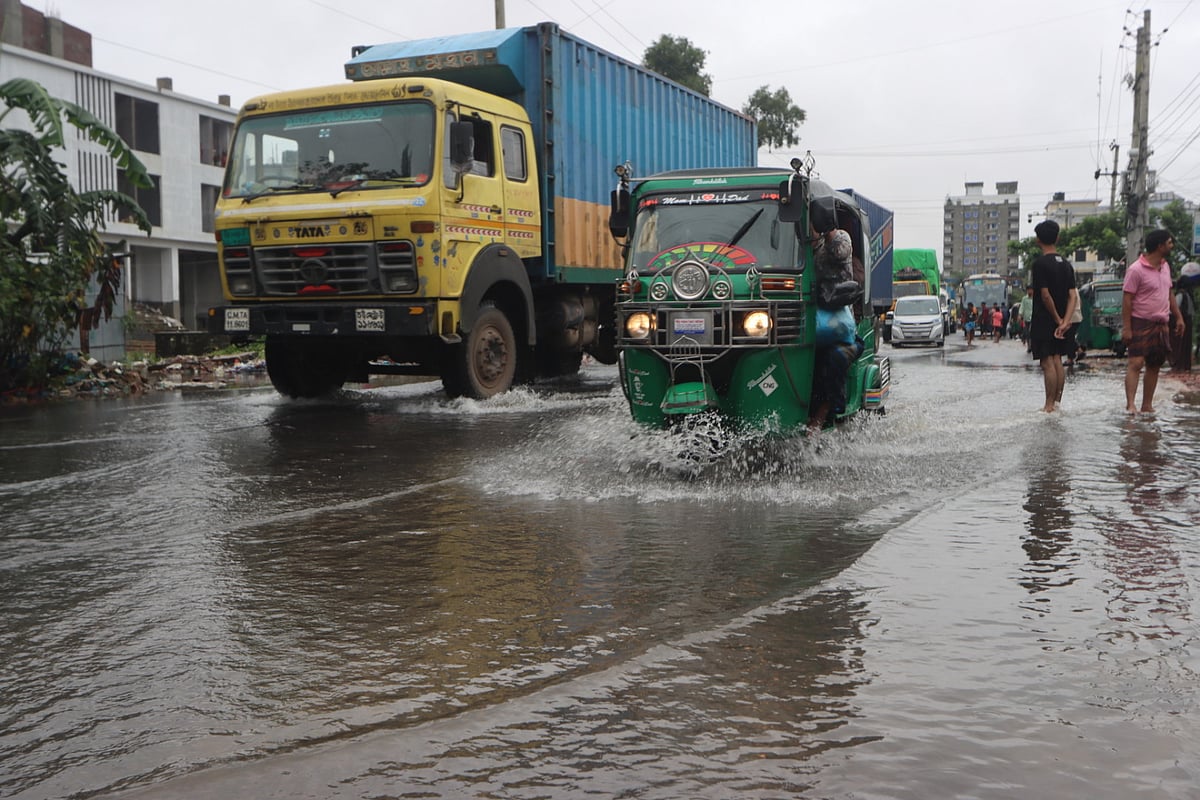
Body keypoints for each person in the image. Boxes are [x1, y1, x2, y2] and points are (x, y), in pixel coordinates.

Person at [1123, 230, 1185, 414]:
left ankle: (1147, 405)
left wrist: (1178, 317)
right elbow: (1127, 299)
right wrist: (1127, 328)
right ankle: (1131, 404)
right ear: (1160, 246)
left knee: (1155, 364)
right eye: (1169, 242)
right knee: (1136, 363)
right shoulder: (1136, 270)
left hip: (1161, 322)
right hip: (1140, 321)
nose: (1172, 246)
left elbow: (1169, 293)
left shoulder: (1165, 267)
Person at [1028, 220, 1078, 412]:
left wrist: (1057, 320)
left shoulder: (1039, 264)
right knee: (1057, 359)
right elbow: (1073, 295)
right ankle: (1056, 403)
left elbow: (1045, 294)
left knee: (1047, 361)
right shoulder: (1066, 264)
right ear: (1057, 238)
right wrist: (1065, 321)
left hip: (1044, 319)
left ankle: (1048, 405)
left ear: (1038, 240)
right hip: (1063, 321)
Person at [1170, 262, 1198, 371]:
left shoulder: (1180, 295)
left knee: (1179, 345)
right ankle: (1185, 365)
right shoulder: (1188, 295)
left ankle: (1179, 365)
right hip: (1187, 322)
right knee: (1186, 345)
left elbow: (1174, 309)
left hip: (1181, 322)